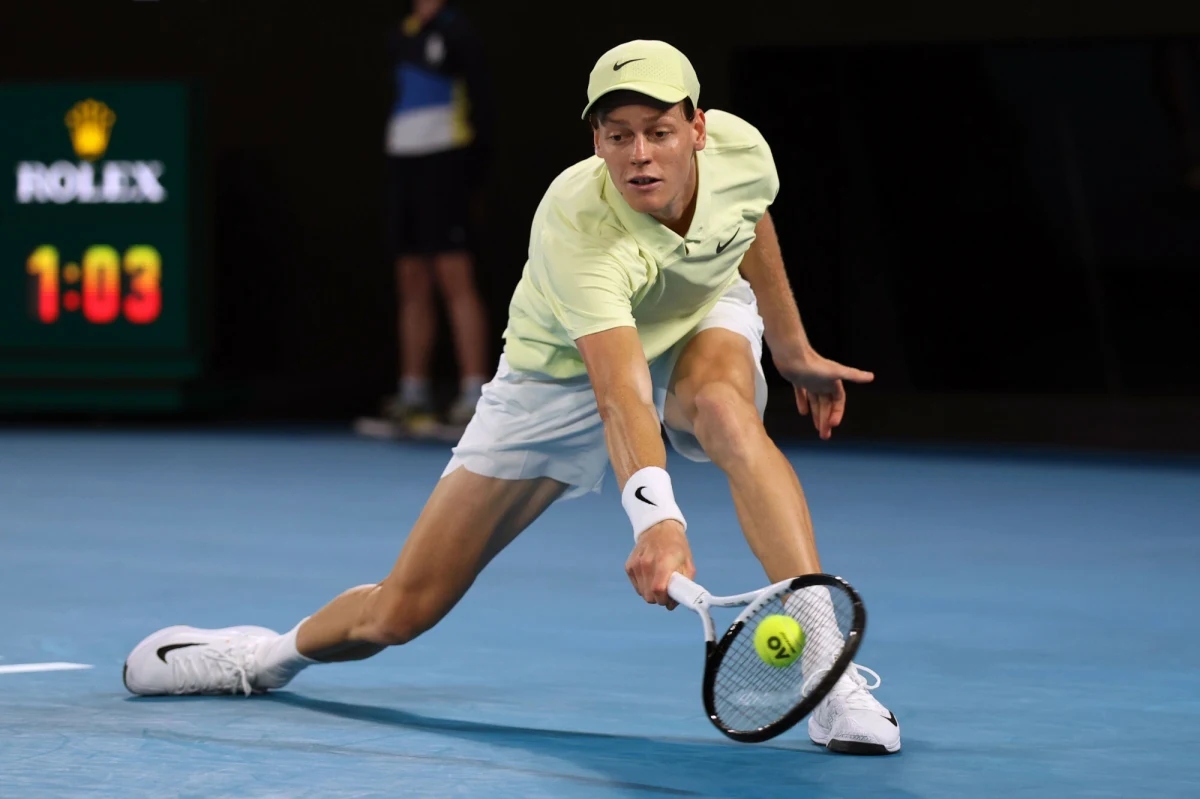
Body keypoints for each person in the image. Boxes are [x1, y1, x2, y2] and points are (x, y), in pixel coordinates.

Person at [124, 40, 901, 755]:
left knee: (730, 414)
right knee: (402, 609)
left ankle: (827, 669)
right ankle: (261, 656)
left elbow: (748, 222)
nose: (638, 154)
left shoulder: (744, 150)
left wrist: (791, 349)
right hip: (559, 377)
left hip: (698, 315)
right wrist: (658, 520)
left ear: (698, 129)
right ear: (595, 140)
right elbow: (620, 390)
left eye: (658, 131)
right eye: (617, 133)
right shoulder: (577, 224)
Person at [382, 0, 494, 433]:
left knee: (454, 276)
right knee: (411, 278)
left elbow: (482, 102)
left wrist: (474, 174)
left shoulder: (459, 31)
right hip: (403, 165)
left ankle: (471, 394)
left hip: (446, 163)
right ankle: (413, 394)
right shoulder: (400, 34)